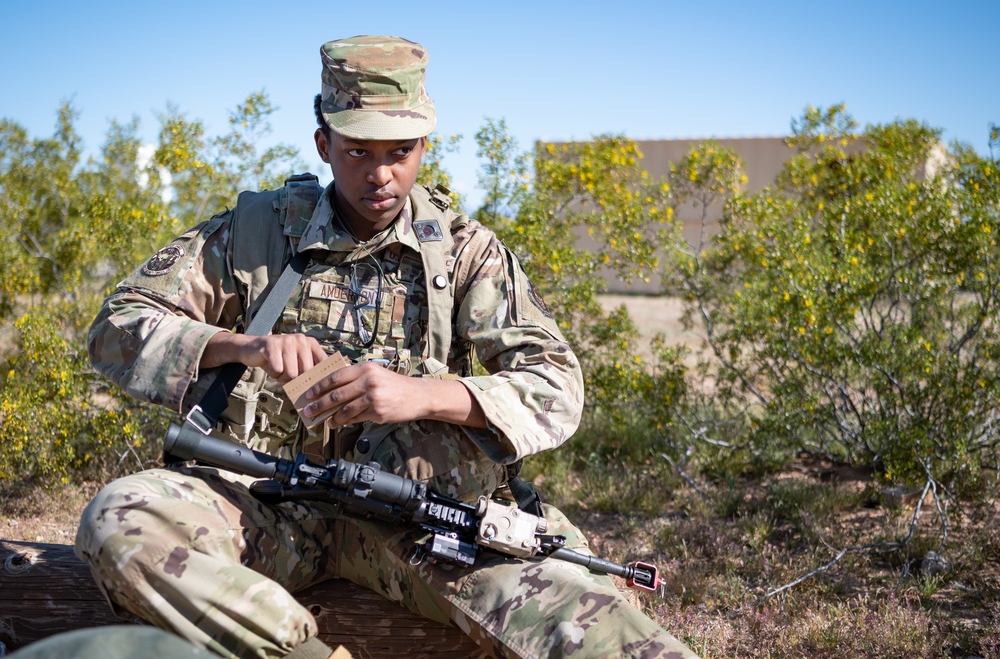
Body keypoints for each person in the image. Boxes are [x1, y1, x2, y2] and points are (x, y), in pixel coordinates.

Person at [76, 35, 698, 659]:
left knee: (587, 625)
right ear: (323, 144)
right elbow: (117, 326)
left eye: (401, 151)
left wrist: (424, 396)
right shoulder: (258, 232)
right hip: (266, 503)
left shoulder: (463, 252)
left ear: (425, 146)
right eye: (356, 152)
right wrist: (240, 346)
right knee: (121, 521)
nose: (381, 174)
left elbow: (556, 383)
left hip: (419, 519)